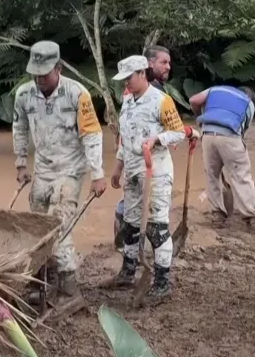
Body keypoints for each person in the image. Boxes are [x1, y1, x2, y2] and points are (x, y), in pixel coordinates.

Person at [13, 41, 106, 314]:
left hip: (70, 171)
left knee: (58, 227)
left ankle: (70, 290)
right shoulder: (24, 95)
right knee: (37, 227)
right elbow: (19, 128)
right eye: (35, 74)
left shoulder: (78, 95)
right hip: (42, 170)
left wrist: (98, 174)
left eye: (44, 73)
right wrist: (20, 163)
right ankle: (40, 280)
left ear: (59, 67)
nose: (39, 79)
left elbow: (92, 135)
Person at [108, 55, 192, 303]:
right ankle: (128, 271)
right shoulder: (127, 100)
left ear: (143, 74)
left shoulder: (161, 101)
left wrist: (157, 139)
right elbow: (125, 137)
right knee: (131, 224)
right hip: (133, 170)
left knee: (156, 226)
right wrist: (117, 167)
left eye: (130, 78)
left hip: (156, 170)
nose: (127, 83)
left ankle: (162, 281)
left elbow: (178, 132)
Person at [113, 46, 170, 250]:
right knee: (133, 209)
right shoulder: (134, 97)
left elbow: (172, 129)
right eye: (163, 62)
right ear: (149, 65)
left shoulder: (158, 96)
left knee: (144, 210)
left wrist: (160, 138)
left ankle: (128, 242)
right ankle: (128, 247)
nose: (168, 67)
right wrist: (118, 166)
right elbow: (126, 133)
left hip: (148, 162)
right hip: (133, 158)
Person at [189, 85, 255, 230]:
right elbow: (242, 131)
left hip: (208, 135)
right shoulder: (248, 103)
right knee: (241, 176)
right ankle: (252, 218)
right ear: (250, 97)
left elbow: (193, 100)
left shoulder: (216, 90)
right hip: (230, 136)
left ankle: (217, 215)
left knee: (212, 176)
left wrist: (199, 117)